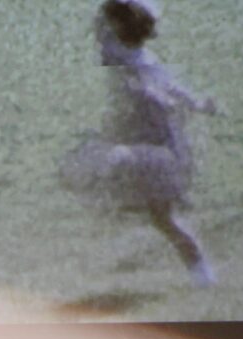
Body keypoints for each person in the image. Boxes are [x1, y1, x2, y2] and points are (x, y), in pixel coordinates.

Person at [61, 0, 218, 287]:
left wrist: (192, 103)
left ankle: (201, 270)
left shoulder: (143, 64)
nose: (105, 29)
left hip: (155, 145)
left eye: (113, 23)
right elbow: (101, 24)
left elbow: (168, 92)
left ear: (125, 27)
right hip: (134, 139)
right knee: (157, 215)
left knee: (163, 217)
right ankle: (197, 269)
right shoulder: (117, 51)